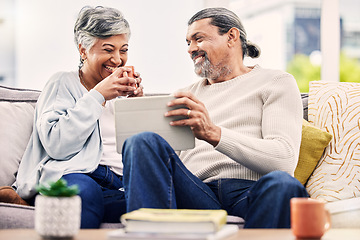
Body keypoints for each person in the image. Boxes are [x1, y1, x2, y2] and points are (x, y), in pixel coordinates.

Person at [121, 7, 308, 228]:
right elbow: (163, 162)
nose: (191, 49)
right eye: (188, 42)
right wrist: (137, 107)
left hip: (249, 192)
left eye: (198, 39)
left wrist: (213, 133)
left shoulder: (276, 82)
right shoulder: (186, 95)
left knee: (285, 184)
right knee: (141, 142)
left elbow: (283, 160)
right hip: (195, 192)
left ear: (231, 36)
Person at [8, 6, 143, 228]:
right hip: (76, 175)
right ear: (83, 50)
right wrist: (98, 95)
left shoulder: (123, 92)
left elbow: (139, 150)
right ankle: (41, 197)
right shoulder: (63, 82)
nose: (118, 59)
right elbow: (57, 145)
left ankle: (41, 202)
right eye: (108, 49)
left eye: (123, 49)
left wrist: (137, 104)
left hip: (119, 183)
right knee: (83, 194)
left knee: (156, 202)